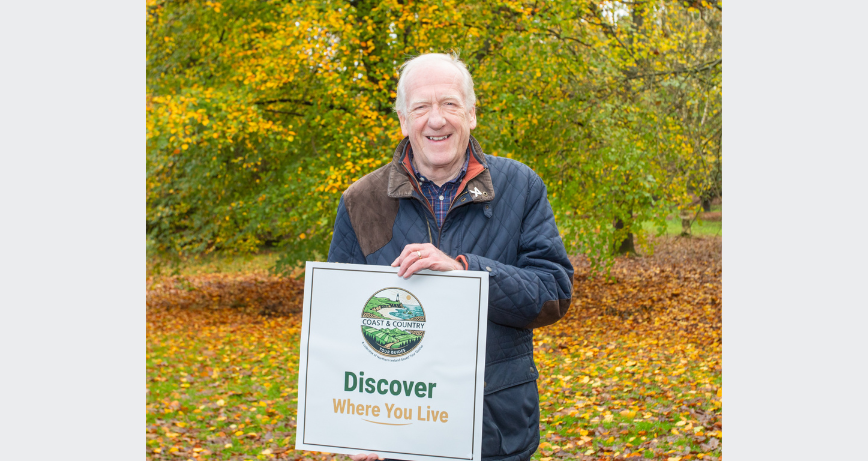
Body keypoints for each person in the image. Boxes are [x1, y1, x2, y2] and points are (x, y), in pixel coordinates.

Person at [327, 52, 574, 461]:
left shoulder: (521, 186)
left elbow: (553, 293)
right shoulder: (362, 201)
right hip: (397, 432)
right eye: (421, 107)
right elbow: (338, 327)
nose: (436, 119)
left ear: (472, 114)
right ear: (404, 121)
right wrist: (358, 428)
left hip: (495, 434)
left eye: (449, 104)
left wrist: (465, 272)